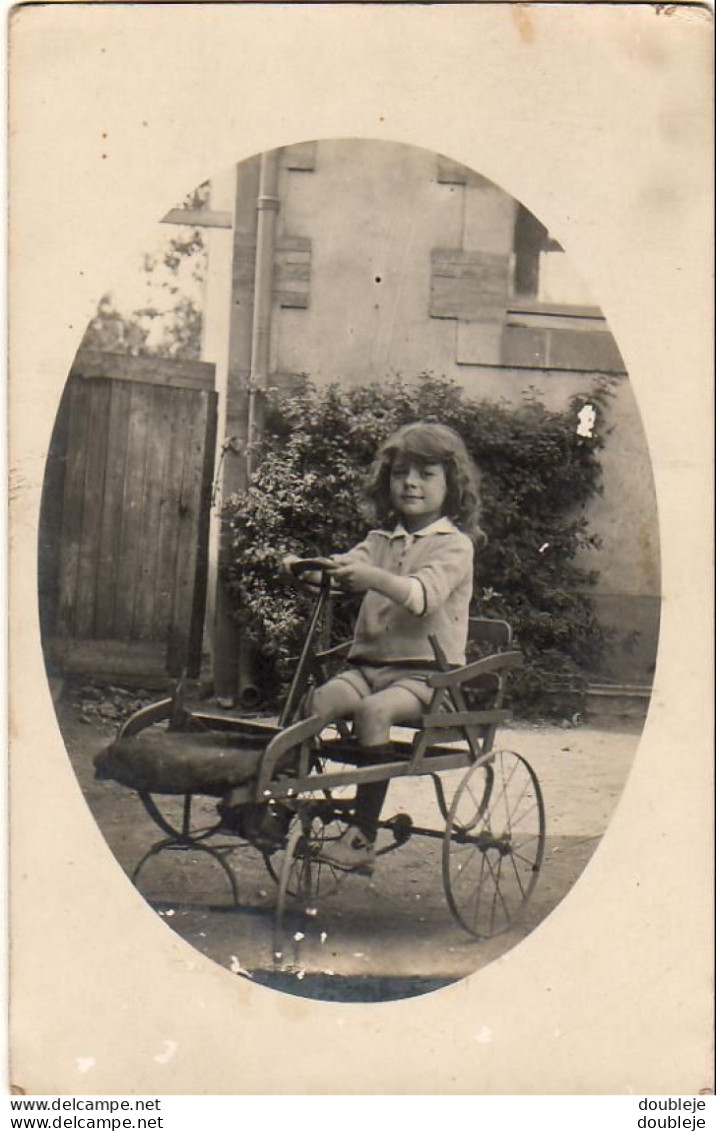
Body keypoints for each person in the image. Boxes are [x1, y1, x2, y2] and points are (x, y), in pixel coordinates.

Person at [283, 421, 485, 873]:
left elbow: (421, 597)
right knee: (318, 701)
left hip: (425, 677)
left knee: (374, 713)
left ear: (451, 486)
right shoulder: (380, 540)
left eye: (425, 474)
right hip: (368, 666)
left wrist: (374, 579)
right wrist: (309, 569)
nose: (410, 483)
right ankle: (281, 800)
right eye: (400, 474)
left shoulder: (454, 546)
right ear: (386, 481)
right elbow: (343, 570)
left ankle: (362, 837)